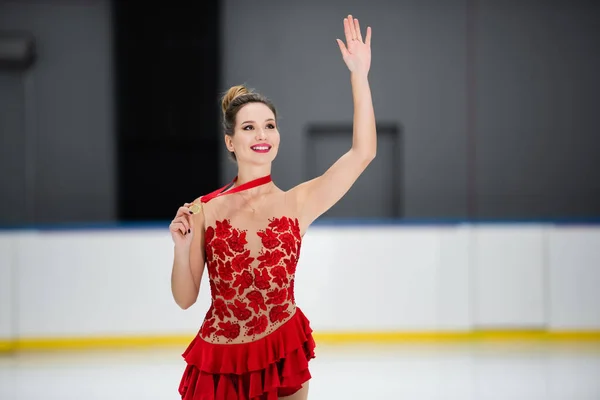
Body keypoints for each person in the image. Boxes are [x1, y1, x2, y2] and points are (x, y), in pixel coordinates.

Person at [169, 15, 376, 400]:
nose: (262, 135)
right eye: (249, 128)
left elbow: (363, 152)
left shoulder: (298, 202)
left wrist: (359, 76)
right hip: (219, 364)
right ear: (230, 141)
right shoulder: (203, 210)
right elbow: (184, 299)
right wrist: (181, 250)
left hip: (280, 350)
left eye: (269, 125)